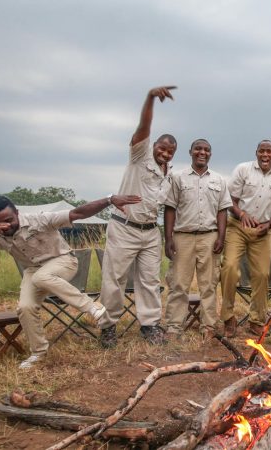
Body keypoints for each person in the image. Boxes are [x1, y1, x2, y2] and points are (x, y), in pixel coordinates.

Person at [0, 194, 141, 369]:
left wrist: (108, 199)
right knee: (25, 307)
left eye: (9, 220)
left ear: (17, 213)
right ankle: (38, 352)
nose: (5, 226)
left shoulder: (40, 220)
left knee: (41, 276)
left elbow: (78, 213)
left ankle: (91, 306)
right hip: (33, 271)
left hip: (63, 261)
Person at [98, 86, 177, 348]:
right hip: (124, 228)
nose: (164, 153)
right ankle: (108, 326)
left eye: (169, 151)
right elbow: (144, 126)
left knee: (149, 280)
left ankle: (150, 325)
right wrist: (150, 98)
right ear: (153, 145)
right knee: (115, 279)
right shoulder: (139, 155)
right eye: (162, 148)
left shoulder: (169, 172)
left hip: (149, 232)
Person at [162, 139, 232, 339]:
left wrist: (221, 236)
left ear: (210, 153)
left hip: (209, 237)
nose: (202, 152)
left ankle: (208, 326)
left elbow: (222, 211)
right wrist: (168, 238)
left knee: (209, 284)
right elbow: (170, 208)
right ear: (190, 152)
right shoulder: (178, 178)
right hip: (182, 236)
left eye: (206, 150)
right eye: (198, 149)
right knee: (178, 283)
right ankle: (174, 326)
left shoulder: (218, 180)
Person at [219, 140, 271, 337]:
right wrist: (241, 215)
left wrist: (270, 224)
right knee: (230, 267)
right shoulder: (243, 169)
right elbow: (228, 200)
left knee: (262, 275)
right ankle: (228, 318)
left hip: (262, 231)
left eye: (269, 152)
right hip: (238, 226)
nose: (265, 155)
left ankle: (256, 319)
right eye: (262, 151)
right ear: (256, 153)